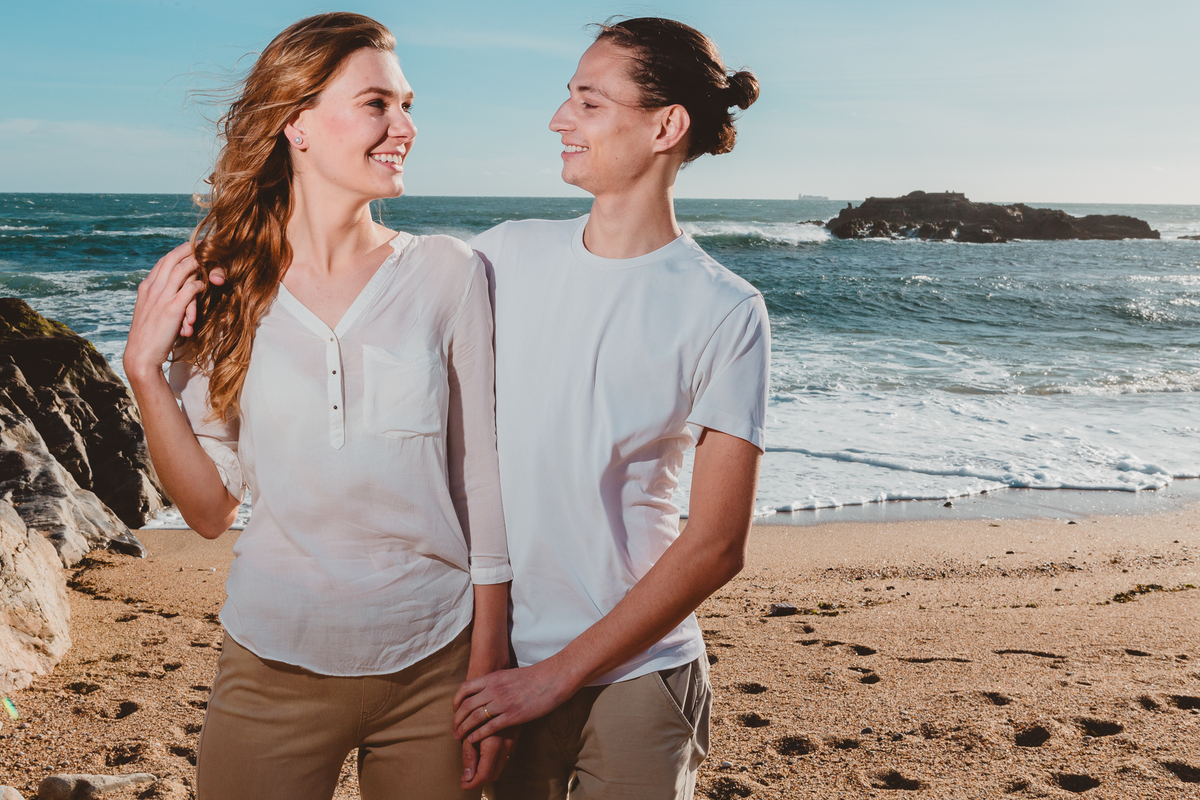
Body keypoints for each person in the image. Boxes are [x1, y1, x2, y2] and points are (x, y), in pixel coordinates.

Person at [122, 13, 512, 800]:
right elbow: (204, 507)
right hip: (270, 664)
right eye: (377, 104)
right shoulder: (228, 290)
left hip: (437, 664)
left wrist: (491, 665)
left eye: (407, 104)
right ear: (295, 123)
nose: (404, 126)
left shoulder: (450, 273)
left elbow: (484, 480)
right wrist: (143, 369)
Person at [451, 17, 768, 800]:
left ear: (666, 125)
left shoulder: (725, 308)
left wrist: (557, 676)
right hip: (495, 661)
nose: (560, 119)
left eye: (589, 102)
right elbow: (360, 288)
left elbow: (716, 544)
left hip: (642, 673)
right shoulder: (501, 255)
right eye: (567, 98)